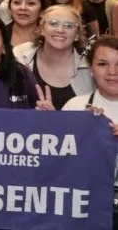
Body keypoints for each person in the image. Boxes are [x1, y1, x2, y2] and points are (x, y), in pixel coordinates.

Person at [62, 35, 118, 229]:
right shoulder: (75, 106)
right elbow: (58, 165)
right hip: (86, 209)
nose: (112, 72)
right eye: (103, 64)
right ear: (91, 69)